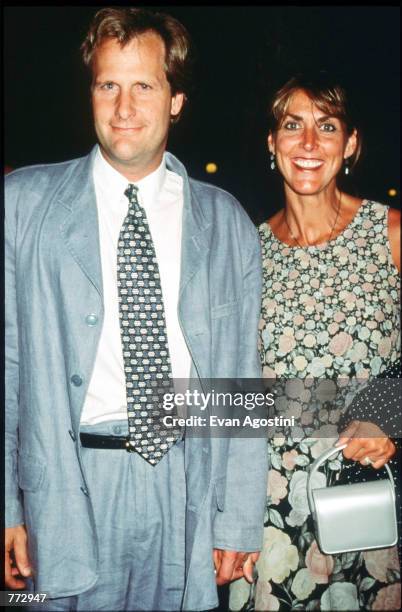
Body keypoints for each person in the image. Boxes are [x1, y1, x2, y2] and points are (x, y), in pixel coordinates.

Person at [5, 7, 268, 611]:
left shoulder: (226, 222)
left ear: (175, 100)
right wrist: (7, 507)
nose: (124, 108)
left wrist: (236, 518)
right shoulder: (20, 206)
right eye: (108, 85)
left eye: (144, 85)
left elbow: (241, 382)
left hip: (184, 484)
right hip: (64, 490)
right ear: (91, 92)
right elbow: (8, 367)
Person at [230, 72, 400, 611]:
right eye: (292, 126)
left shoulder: (390, 234)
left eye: (326, 127)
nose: (307, 144)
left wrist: (387, 411)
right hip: (270, 519)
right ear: (271, 143)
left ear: (349, 145)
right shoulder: (245, 254)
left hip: (368, 504)